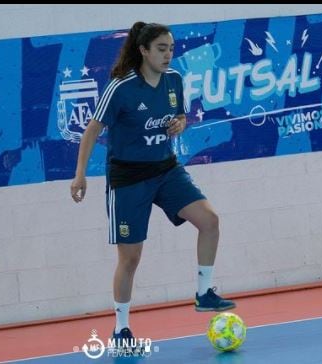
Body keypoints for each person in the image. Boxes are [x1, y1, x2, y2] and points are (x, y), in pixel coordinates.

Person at [70, 21, 235, 346]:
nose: (168, 55)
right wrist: (80, 174)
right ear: (143, 51)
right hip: (128, 178)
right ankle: (121, 329)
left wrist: (180, 124)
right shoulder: (121, 87)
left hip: (166, 170)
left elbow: (181, 117)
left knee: (210, 221)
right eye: (161, 49)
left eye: (171, 49)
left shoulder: (174, 80)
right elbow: (91, 130)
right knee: (130, 259)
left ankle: (204, 293)